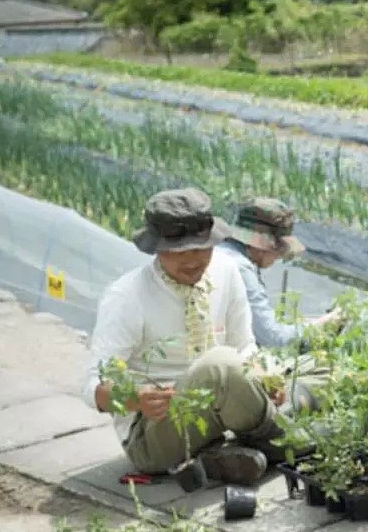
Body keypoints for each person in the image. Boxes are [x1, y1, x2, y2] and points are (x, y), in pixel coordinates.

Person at [81, 188, 291, 485]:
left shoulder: (227, 271)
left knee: (306, 372)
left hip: (217, 410)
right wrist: (135, 399)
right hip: (154, 434)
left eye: (201, 249)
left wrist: (263, 376)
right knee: (220, 364)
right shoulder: (126, 297)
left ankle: (217, 458)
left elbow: (244, 346)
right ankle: (289, 445)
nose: (192, 261)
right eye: (178, 252)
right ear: (156, 248)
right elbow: (91, 387)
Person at [216, 197, 344, 350]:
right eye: (277, 250)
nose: (279, 256)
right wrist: (324, 325)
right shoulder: (241, 269)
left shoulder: (217, 250)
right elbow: (273, 340)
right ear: (262, 246)